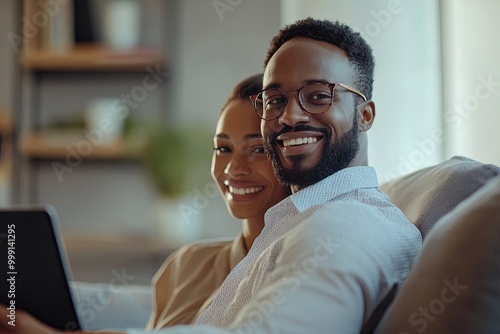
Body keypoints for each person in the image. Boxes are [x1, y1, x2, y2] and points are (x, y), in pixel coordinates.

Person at [0, 18, 422, 334]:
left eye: (318, 96)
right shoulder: (300, 220)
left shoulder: (347, 225)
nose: (290, 115)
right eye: (274, 100)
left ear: (365, 114)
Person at [146, 73, 291, 329]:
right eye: (223, 149)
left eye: (258, 150)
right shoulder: (186, 264)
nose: (233, 169)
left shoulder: (299, 267)